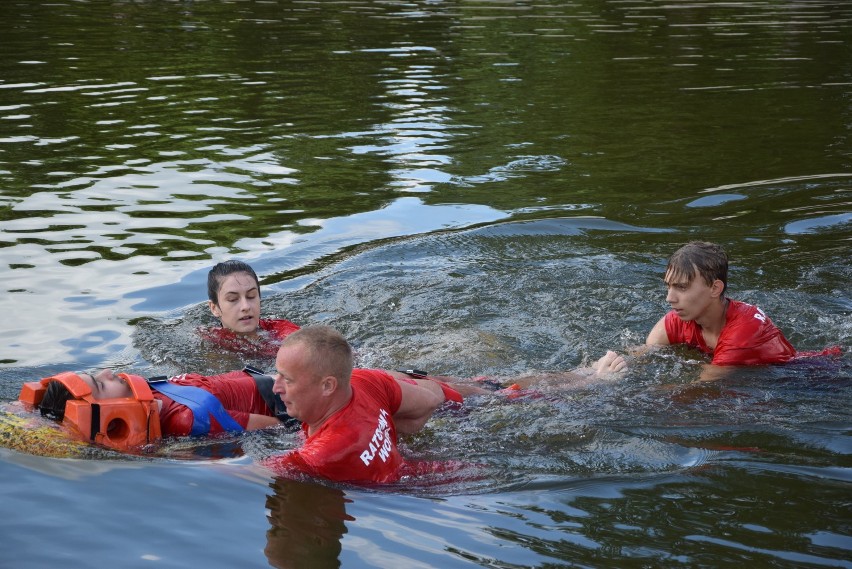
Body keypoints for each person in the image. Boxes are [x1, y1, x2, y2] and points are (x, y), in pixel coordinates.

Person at [262, 326, 628, 484]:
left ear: (328, 386)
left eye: (286, 379)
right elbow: (435, 395)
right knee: (500, 392)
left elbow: (239, 471)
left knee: (502, 399)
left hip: (449, 478)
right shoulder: (363, 380)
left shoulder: (319, 455)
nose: (275, 386)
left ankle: (593, 380)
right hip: (447, 435)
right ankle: (587, 376)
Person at [645, 241, 802, 376]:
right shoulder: (681, 318)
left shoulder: (744, 332)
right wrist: (620, 367)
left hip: (805, 379)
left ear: (715, 288)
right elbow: (645, 354)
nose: (669, 298)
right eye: (669, 286)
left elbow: (697, 390)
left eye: (682, 287)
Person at [198, 260, 300, 356]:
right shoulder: (209, 341)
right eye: (233, 299)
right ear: (214, 308)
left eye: (251, 296)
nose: (245, 306)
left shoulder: (284, 332)